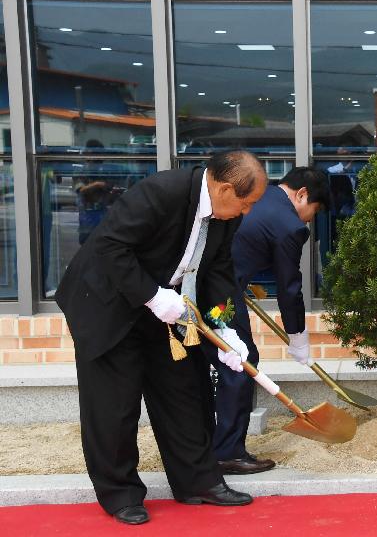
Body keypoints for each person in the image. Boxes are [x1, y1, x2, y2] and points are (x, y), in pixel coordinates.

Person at [55, 150, 268, 525]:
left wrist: (225, 328)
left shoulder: (225, 216)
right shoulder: (162, 191)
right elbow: (110, 246)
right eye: (246, 203)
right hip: (109, 303)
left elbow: (218, 271)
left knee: (185, 392)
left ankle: (199, 481)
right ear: (224, 188)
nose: (247, 212)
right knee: (114, 406)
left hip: (165, 309)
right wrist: (153, 297)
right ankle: (120, 494)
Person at [208, 166, 330, 475]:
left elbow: (245, 244)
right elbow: (290, 287)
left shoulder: (262, 199)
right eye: (313, 210)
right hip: (219, 298)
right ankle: (228, 453)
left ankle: (212, 444)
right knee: (241, 360)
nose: (309, 220)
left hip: (217, 286)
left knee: (226, 359)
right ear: (301, 195)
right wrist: (298, 337)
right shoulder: (290, 225)